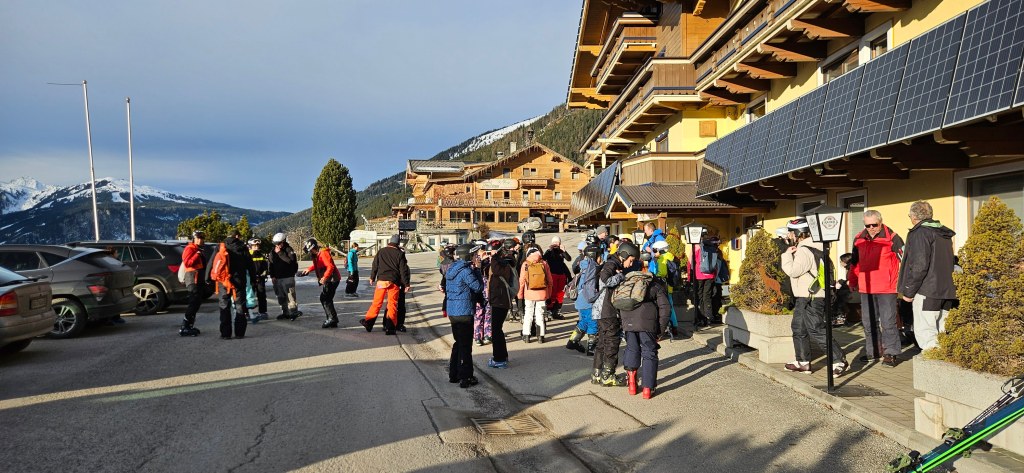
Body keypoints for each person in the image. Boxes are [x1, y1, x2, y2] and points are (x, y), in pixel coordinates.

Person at [780, 218, 847, 376]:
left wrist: (786, 256)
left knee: (816, 329)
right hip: (808, 295)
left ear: (798, 233)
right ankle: (802, 362)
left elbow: (793, 271)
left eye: (791, 232)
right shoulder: (818, 246)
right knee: (798, 328)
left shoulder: (804, 250)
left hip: (811, 297)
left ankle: (839, 360)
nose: (789, 236)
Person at [849, 209, 905, 367]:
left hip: (887, 287)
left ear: (881, 222)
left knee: (888, 322)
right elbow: (855, 263)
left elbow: (905, 260)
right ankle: (874, 351)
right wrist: (852, 281)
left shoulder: (892, 238)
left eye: (874, 224)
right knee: (868, 322)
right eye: (868, 225)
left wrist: (905, 284)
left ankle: (891, 353)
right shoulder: (858, 238)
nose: (871, 228)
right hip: (866, 287)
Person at [898, 200, 956, 351]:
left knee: (927, 334)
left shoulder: (920, 233)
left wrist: (909, 292)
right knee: (942, 331)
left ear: (913, 216)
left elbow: (919, 266)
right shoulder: (943, 233)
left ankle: (933, 361)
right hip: (947, 290)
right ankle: (943, 360)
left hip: (927, 291)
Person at [621, 252, 671, 399]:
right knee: (649, 352)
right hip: (647, 323)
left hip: (628, 321)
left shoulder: (626, 283)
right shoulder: (654, 284)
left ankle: (631, 383)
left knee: (632, 349)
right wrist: (661, 329)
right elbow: (665, 307)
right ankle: (648, 389)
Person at [590, 242, 639, 387]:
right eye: (630, 260)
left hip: (601, 310)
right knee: (612, 342)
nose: (630, 264)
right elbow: (605, 280)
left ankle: (597, 374)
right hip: (607, 310)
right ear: (624, 255)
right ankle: (608, 375)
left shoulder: (611, 263)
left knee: (602, 342)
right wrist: (621, 277)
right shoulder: (611, 264)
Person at [446, 243, 485, 388]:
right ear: (469, 256)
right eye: (475, 255)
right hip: (464, 311)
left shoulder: (452, 268)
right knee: (466, 346)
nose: (477, 257)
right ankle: (466, 377)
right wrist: (478, 270)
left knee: (458, 343)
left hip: (453, 311)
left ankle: (454, 374)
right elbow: (478, 287)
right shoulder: (466, 271)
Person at [362, 234, 411, 335]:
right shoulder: (400, 253)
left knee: (377, 303)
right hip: (394, 282)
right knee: (392, 304)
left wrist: (372, 277)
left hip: (381, 281)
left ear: (390, 241)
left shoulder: (381, 251)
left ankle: (368, 323)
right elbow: (403, 270)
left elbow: (375, 265)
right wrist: (406, 284)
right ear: (398, 243)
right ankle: (390, 328)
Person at [217, 231, 256, 340]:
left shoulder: (221, 246)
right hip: (239, 281)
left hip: (224, 282)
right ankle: (239, 333)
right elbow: (250, 265)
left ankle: (225, 334)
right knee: (240, 306)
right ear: (237, 236)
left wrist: (208, 278)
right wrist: (253, 279)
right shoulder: (242, 247)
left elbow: (212, 262)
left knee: (224, 306)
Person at [486, 241, 516, 369]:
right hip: (499, 299)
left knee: (496, 331)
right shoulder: (502, 262)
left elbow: (496, 270)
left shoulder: (504, 263)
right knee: (498, 329)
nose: (489, 255)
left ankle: (499, 359)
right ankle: (503, 356)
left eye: (491, 252)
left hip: (500, 300)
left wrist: (494, 257)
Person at [299, 238, 341, 329]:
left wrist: (325, 277)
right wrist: (309, 269)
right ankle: (332, 319)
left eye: (310, 251)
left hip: (332, 279)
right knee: (326, 298)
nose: (310, 253)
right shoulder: (318, 254)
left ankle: (332, 319)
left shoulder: (323, 253)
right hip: (329, 279)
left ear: (314, 248)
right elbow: (319, 265)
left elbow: (330, 266)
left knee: (325, 299)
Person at [566, 244, 601, 355]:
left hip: (580, 299)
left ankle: (573, 340)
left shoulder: (583, 265)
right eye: (599, 255)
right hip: (587, 299)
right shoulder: (592, 268)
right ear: (594, 255)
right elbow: (590, 287)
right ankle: (591, 347)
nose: (601, 258)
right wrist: (596, 296)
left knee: (584, 321)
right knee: (593, 322)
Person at [518, 247, 552, 343]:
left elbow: (521, 281)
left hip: (529, 293)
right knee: (540, 314)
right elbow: (550, 280)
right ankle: (540, 336)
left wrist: (520, 295)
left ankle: (526, 335)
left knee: (528, 314)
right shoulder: (544, 263)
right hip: (542, 293)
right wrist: (548, 294)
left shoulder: (525, 264)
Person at [689, 231, 720, 327]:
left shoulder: (696, 247)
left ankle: (702, 318)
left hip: (699, 274)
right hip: (710, 274)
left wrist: (690, 276)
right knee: (707, 296)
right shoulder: (711, 246)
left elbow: (691, 263)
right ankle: (709, 317)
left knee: (699, 296)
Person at [179, 230, 206, 337]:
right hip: (192, 278)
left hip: (198, 278)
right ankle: (184, 327)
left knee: (197, 302)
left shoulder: (199, 249)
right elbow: (187, 263)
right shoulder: (190, 248)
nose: (200, 240)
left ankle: (190, 325)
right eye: (198, 238)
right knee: (193, 302)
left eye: (202, 238)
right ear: (193, 239)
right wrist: (196, 255)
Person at [268, 233, 301, 320]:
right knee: (280, 297)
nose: (277, 245)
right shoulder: (272, 251)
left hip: (288, 277)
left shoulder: (289, 250)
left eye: (279, 243)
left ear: (283, 241)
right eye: (276, 244)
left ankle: (293, 312)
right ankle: (285, 312)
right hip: (277, 278)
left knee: (290, 296)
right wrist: (272, 276)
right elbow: (270, 264)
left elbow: (291, 262)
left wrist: (280, 253)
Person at [650, 240, 679, 337]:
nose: (654, 253)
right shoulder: (671, 256)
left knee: (665, 306)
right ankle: (674, 326)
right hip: (669, 286)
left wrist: (654, 276)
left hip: (663, 286)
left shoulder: (662, 258)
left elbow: (662, 273)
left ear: (661, 250)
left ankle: (669, 327)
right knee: (670, 305)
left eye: (655, 250)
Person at [543, 236, 572, 320]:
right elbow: (543, 259)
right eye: (554, 243)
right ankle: (549, 311)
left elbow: (569, 259)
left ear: (560, 243)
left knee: (560, 294)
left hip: (561, 275)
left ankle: (556, 311)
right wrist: (549, 250)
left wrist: (564, 250)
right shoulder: (549, 251)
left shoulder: (561, 251)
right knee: (552, 293)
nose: (555, 244)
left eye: (557, 242)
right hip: (552, 275)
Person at [247, 238, 269, 323]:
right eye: (255, 245)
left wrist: (264, 273)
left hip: (260, 279)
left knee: (262, 295)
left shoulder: (261, 255)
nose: (257, 247)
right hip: (250, 280)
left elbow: (265, 266)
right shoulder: (247, 255)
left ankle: (263, 312)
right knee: (249, 297)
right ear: (250, 246)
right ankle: (249, 313)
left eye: (258, 245)